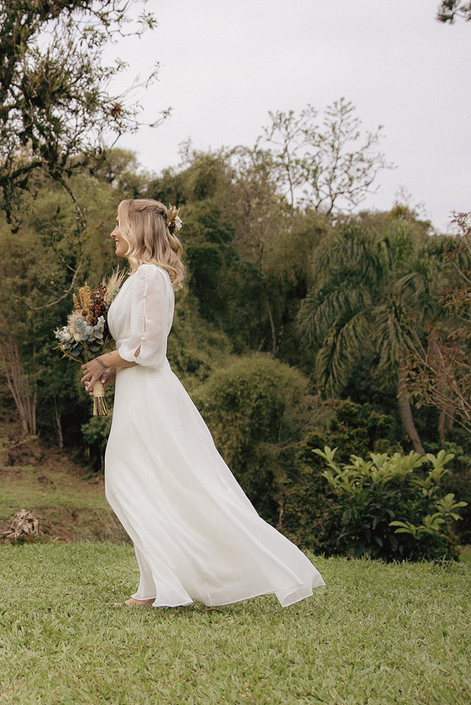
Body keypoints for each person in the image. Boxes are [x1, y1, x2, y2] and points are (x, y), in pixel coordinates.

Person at [80, 198, 324, 608]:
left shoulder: (150, 278)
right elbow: (135, 346)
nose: (113, 232)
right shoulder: (141, 277)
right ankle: (155, 586)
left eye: (119, 224)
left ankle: (178, 581)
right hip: (137, 391)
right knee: (142, 483)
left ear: (139, 229)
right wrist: (110, 369)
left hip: (152, 396)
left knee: (140, 481)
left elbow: (150, 348)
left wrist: (105, 359)